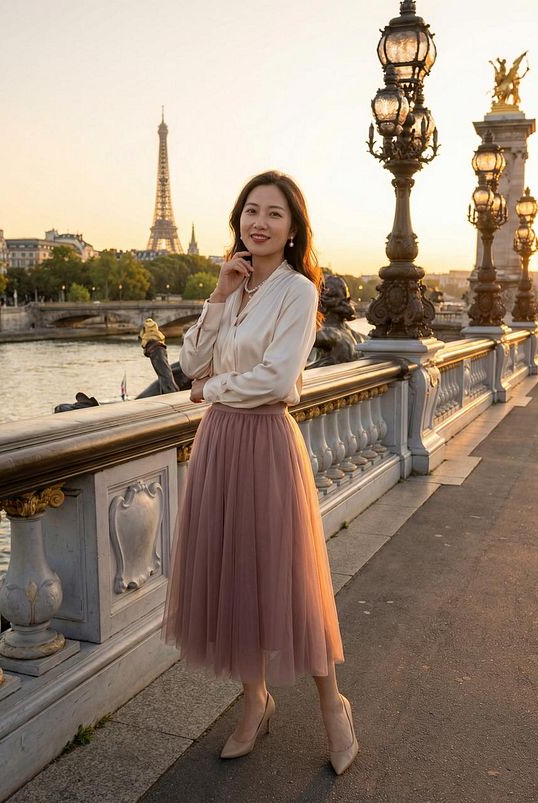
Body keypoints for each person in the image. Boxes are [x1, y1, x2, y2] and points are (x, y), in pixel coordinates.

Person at [160, 171, 359, 775]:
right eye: (251, 210)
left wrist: (212, 390)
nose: (260, 222)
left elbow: (276, 379)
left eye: (274, 213)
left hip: (267, 441)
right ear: (237, 220)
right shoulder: (236, 288)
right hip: (220, 442)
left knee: (290, 578)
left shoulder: (299, 291)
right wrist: (218, 296)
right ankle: (255, 702)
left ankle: (334, 708)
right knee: (235, 576)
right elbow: (187, 362)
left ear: (294, 227)